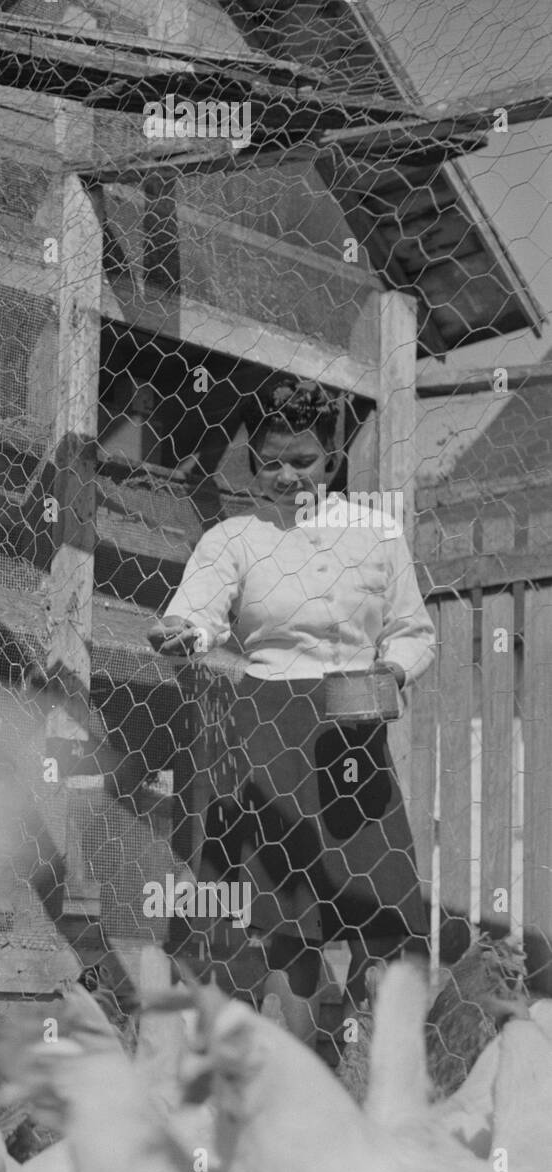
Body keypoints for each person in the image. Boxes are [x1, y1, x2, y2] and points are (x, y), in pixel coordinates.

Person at [148, 379, 435, 1043]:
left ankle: (376, 1042)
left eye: (303, 460)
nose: (287, 476)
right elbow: (198, 612)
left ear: (331, 461)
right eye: (271, 461)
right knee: (288, 908)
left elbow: (413, 630)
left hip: (352, 727)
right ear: (253, 463)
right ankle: (307, 1054)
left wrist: (393, 669)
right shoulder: (234, 539)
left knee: (384, 897)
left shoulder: (375, 534)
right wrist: (182, 633)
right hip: (272, 722)